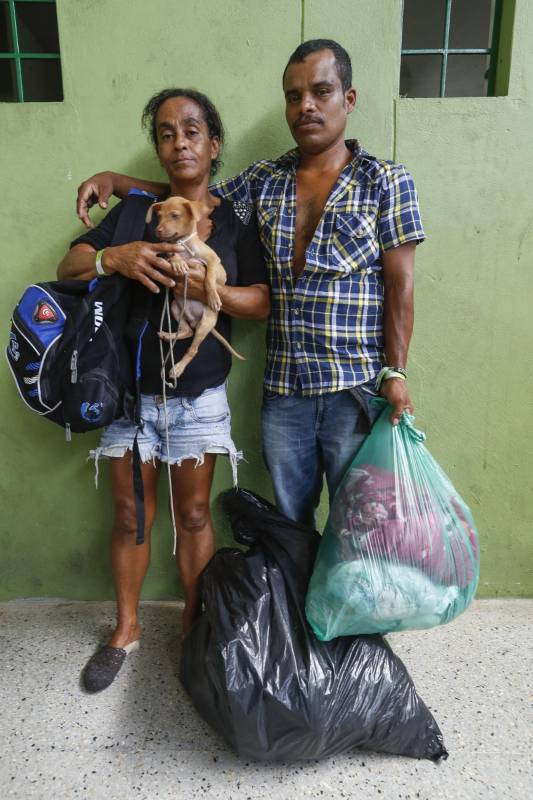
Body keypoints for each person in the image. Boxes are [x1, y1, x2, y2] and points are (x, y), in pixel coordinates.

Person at [76, 39, 424, 531]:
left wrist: (397, 372)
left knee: (361, 525)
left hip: (355, 387)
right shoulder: (266, 179)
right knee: (291, 522)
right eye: (293, 95)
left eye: (321, 92)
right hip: (283, 389)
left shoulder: (387, 180)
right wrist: (117, 181)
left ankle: (347, 611)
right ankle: (298, 611)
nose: (305, 106)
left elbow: (401, 285)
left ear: (348, 99)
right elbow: (193, 192)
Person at [58, 88, 270, 691]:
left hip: (197, 396)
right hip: (127, 393)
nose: (180, 142)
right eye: (167, 133)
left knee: (196, 514)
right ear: (159, 147)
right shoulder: (137, 212)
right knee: (130, 515)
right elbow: (69, 267)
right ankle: (125, 629)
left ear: (214, 143)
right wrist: (113, 259)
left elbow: (260, 300)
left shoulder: (230, 220)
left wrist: (209, 290)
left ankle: (194, 632)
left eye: (193, 131)